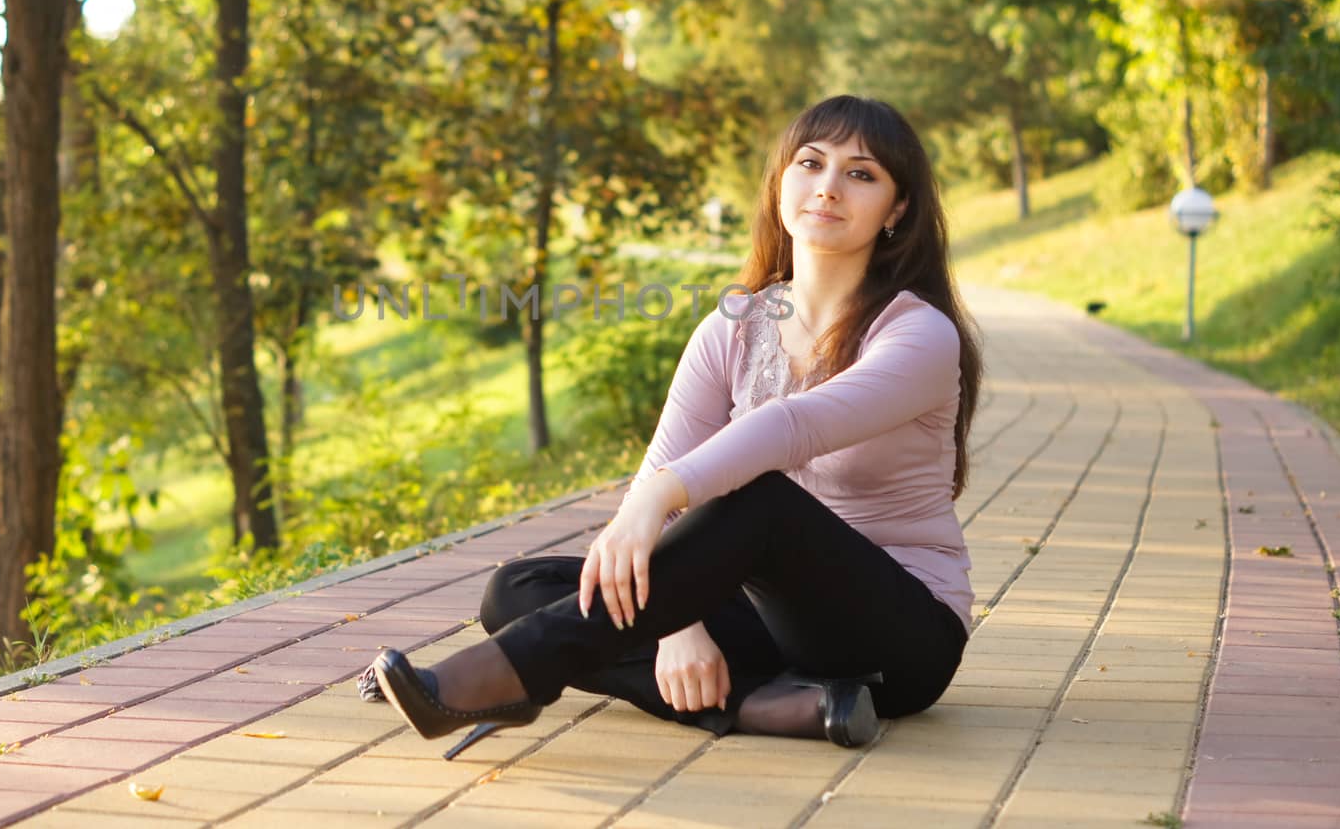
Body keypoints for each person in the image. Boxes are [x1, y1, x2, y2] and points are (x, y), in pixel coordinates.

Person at [368, 94, 982, 759]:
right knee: (518, 589)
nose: (828, 186)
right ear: (781, 180)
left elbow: (790, 427)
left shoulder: (917, 333)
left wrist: (660, 495)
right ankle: (776, 705)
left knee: (762, 496)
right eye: (811, 162)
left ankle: (501, 674)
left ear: (896, 210)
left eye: (861, 174)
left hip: (896, 636)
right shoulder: (734, 327)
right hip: (768, 621)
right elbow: (659, 471)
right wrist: (678, 623)